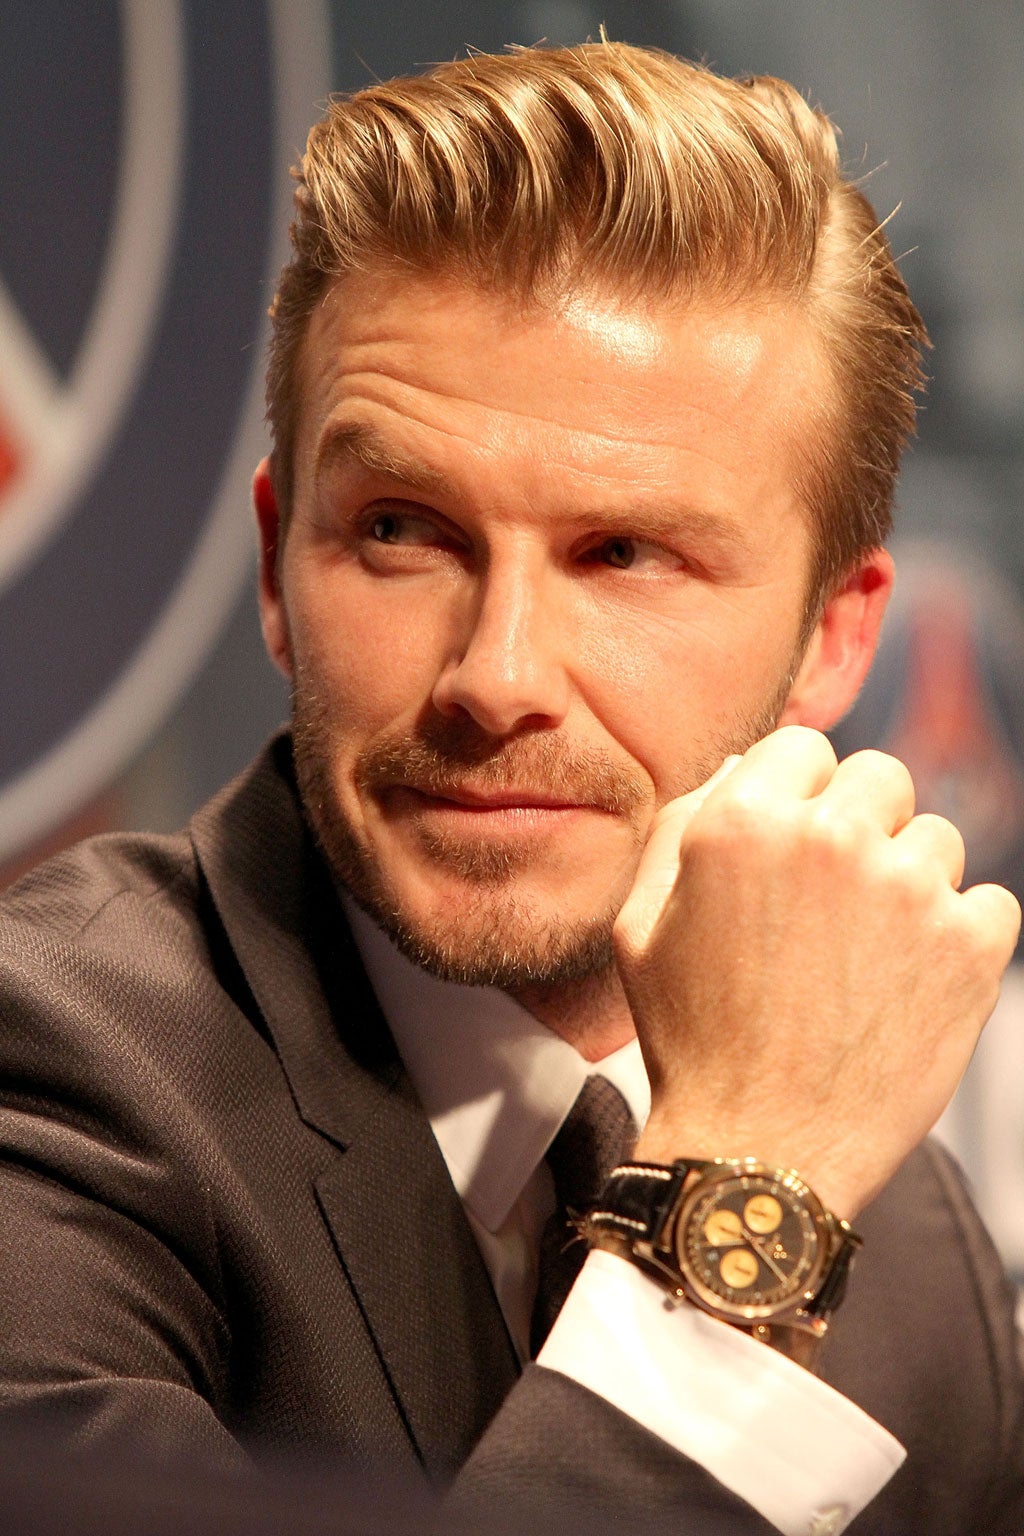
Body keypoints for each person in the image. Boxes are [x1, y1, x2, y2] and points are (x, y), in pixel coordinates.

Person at [0, 40, 1021, 1536]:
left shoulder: (910, 1241)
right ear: (277, 564)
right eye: (403, 530)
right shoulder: (50, 1079)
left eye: (625, 553)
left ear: (834, 639)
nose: (497, 674)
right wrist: (737, 1217)